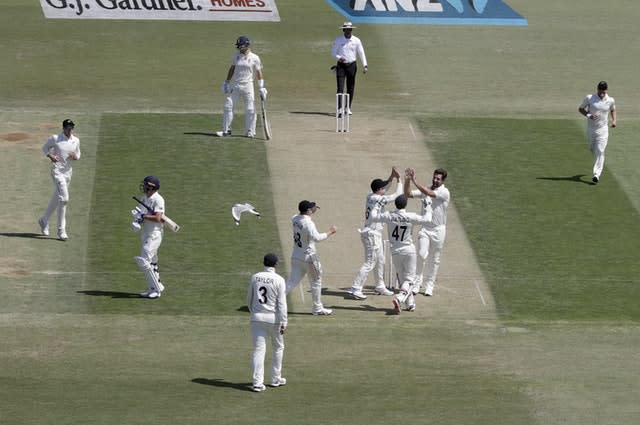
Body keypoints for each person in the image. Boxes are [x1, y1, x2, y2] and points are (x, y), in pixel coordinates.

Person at [347, 166, 403, 300]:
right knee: (370, 262)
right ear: (379, 191)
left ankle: (380, 286)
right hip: (371, 234)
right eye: (382, 188)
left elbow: (385, 188)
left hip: (374, 234)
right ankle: (355, 288)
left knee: (380, 260)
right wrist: (399, 180)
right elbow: (397, 196)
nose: (384, 189)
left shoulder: (371, 195)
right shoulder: (378, 199)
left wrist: (392, 176)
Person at [369, 193, 432, 314]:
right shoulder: (410, 216)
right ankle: (400, 298)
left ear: (396, 204)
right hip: (408, 250)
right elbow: (428, 219)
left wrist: (378, 205)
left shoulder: (389, 215)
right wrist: (427, 205)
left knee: (403, 279)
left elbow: (373, 216)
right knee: (410, 280)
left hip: (395, 251)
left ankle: (410, 303)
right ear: (406, 204)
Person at [286, 200, 337, 316]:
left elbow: (301, 214)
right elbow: (317, 238)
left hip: (296, 256)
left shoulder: (295, 218)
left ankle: (272, 302)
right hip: (309, 258)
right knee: (316, 282)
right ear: (308, 211)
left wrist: (311, 209)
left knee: (291, 282)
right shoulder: (308, 223)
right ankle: (317, 308)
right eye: (311, 208)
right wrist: (330, 231)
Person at [404, 167, 450, 297]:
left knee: (434, 259)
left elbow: (429, 193)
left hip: (438, 230)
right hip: (425, 228)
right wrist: (408, 180)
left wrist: (415, 181)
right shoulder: (426, 189)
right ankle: (417, 283)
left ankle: (430, 285)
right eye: (434, 178)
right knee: (421, 254)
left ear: (443, 180)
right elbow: (407, 194)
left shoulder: (445, 192)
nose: (435, 180)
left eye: (438, 179)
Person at [247, 253, 288, 392]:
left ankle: (257, 383)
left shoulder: (255, 277)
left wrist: (254, 314)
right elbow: (282, 303)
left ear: (264, 263)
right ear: (275, 264)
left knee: (258, 351)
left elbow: (249, 298)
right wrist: (284, 322)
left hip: (257, 318)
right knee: (278, 348)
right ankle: (276, 378)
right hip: (274, 319)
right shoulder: (279, 280)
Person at [216, 35, 268, 138]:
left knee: (250, 109)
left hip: (248, 85)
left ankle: (250, 131)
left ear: (247, 45)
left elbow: (258, 72)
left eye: (241, 46)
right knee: (228, 105)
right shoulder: (236, 55)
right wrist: (226, 81)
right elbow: (232, 68)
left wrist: (261, 87)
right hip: (236, 85)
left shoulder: (255, 58)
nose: (239, 48)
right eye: (238, 46)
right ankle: (227, 131)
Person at [38, 118, 81, 241]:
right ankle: (61, 230)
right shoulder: (55, 138)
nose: (70, 130)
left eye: (71, 127)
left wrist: (75, 157)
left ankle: (44, 220)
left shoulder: (76, 140)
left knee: (58, 197)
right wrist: (50, 156)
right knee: (64, 199)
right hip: (57, 172)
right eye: (68, 127)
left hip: (68, 173)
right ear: (63, 128)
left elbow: (78, 155)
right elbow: (44, 148)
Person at [133, 176, 166, 299]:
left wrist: (143, 217)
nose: (144, 186)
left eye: (146, 184)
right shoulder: (144, 198)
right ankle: (157, 285)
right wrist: (137, 220)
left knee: (144, 260)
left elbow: (158, 217)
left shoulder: (158, 199)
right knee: (152, 261)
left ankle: (155, 290)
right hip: (146, 233)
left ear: (151, 187)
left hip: (154, 234)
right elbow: (141, 214)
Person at [578, 80, 617, 184]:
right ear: (597, 89)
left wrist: (614, 121)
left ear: (606, 90)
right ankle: (596, 158)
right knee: (592, 149)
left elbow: (613, 110)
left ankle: (596, 175)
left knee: (600, 150)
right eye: (600, 90)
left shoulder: (610, 100)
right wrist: (589, 115)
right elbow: (581, 109)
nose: (602, 92)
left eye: (604, 90)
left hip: (603, 130)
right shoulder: (590, 98)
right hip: (591, 129)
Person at [331, 21, 368, 115]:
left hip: (352, 65)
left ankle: (348, 108)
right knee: (340, 88)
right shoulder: (338, 40)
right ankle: (339, 108)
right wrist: (339, 58)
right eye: (346, 29)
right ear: (343, 30)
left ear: (351, 30)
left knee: (350, 88)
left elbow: (361, 53)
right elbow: (333, 53)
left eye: (350, 29)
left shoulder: (356, 40)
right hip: (341, 66)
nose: (348, 31)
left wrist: (365, 65)